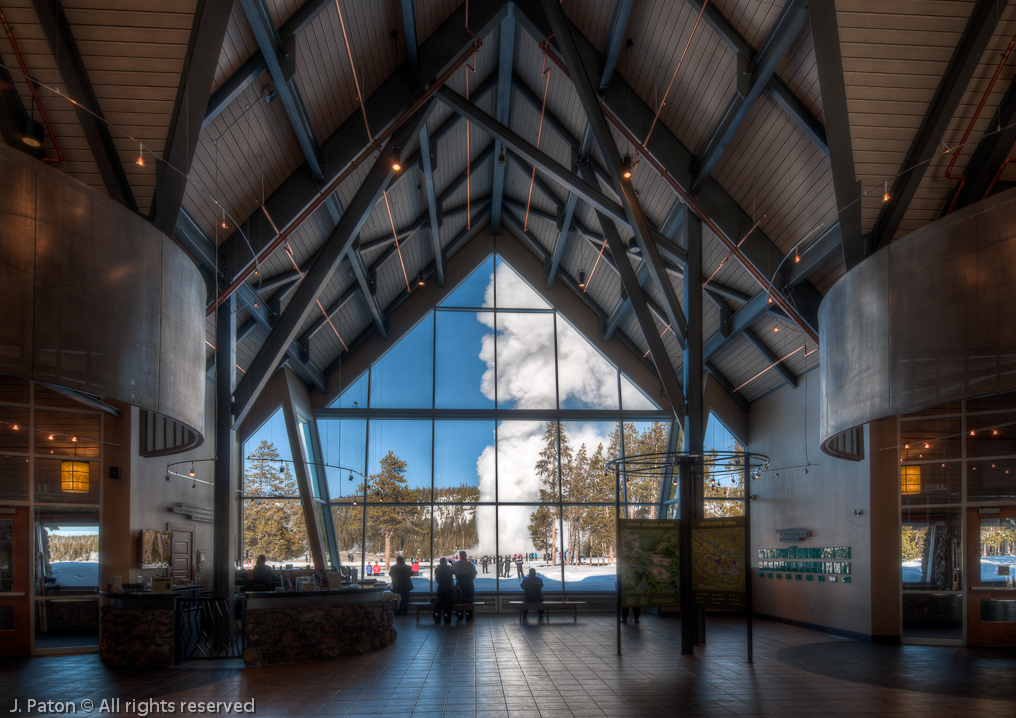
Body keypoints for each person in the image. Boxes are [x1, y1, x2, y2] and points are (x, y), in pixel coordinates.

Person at [453, 550, 477, 620]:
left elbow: (454, 572)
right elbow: (474, 572)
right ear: (466, 556)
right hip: (468, 583)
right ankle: (469, 614)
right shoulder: (469, 564)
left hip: (460, 583)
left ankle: (459, 614)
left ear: (460, 556)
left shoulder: (457, 564)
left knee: (459, 599)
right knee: (469, 599)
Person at [433, 557, 455, 623]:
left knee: (439, 602)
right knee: (448, 604)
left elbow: (437, 579)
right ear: (446, 562)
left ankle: (437, 617)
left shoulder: (437, 569)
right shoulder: (449, 569)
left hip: (441, 587)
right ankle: (447, 617)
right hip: (449, 588)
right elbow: (455, 572)